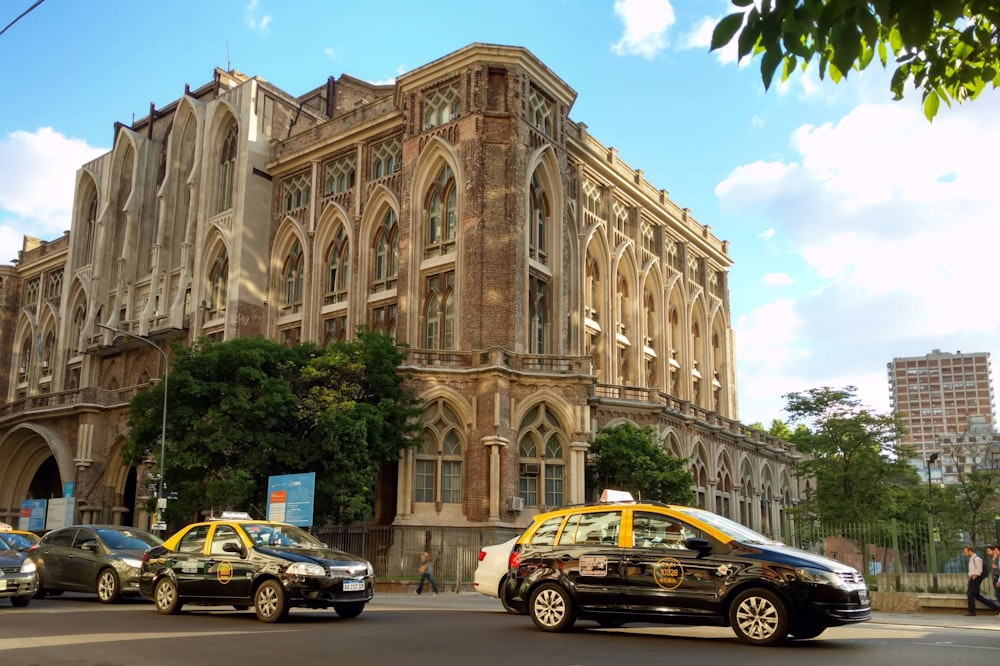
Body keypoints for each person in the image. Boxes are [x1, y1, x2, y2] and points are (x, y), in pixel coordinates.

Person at [962, 545, 999, 616]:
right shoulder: (972, 558)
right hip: (974, 578)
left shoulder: (976, 558)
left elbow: (979, 570)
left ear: (970, 551)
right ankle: (995, 607)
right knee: (977, 595)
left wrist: (974, 576)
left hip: (975, 578)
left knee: (970, 594)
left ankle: (972, 611)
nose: (965, 554)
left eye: (966, 552)